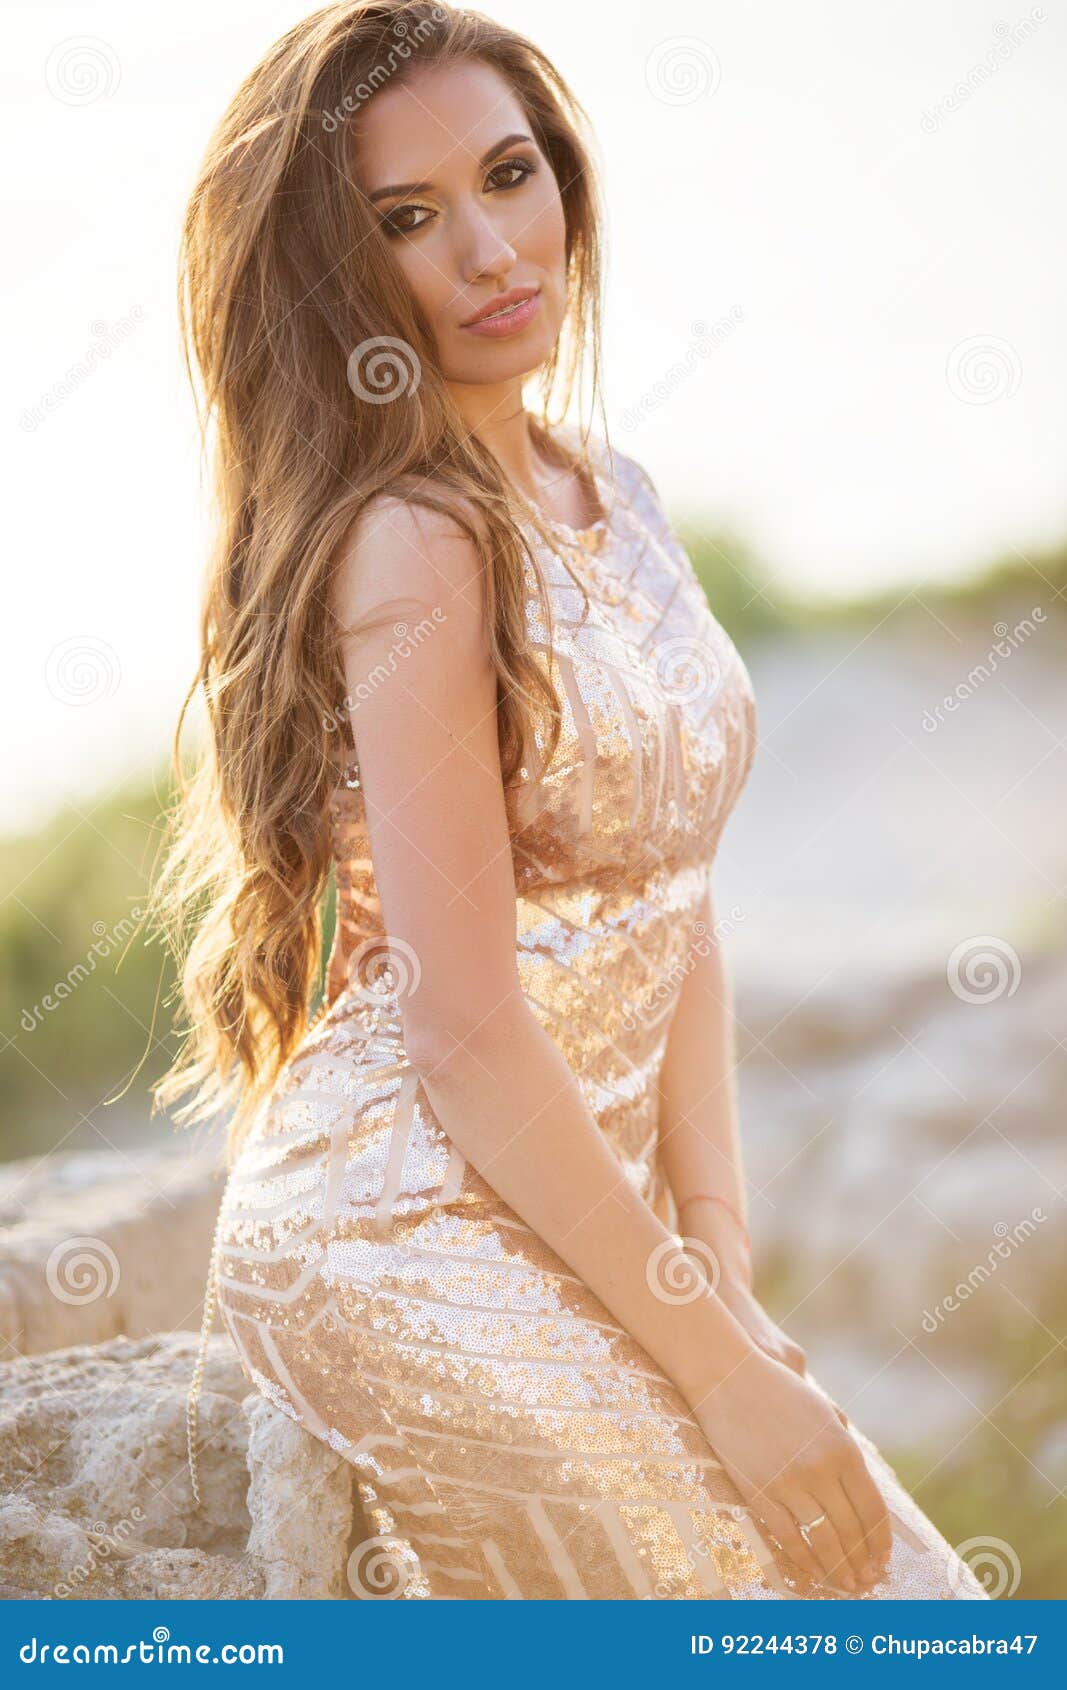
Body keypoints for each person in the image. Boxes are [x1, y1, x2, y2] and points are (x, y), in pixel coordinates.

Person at [149, 0, 989, 1600]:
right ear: (341, 274)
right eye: (408, 219)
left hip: (588, 1214)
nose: (487, 248)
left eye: (509, 175)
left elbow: (675, 891)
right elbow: (461, 1033)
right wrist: (718, 1373)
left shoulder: (619, 494)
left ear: (566, 182)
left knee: (912, 1604)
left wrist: (721, 1274)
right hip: (393, 1225)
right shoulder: (415, 546)